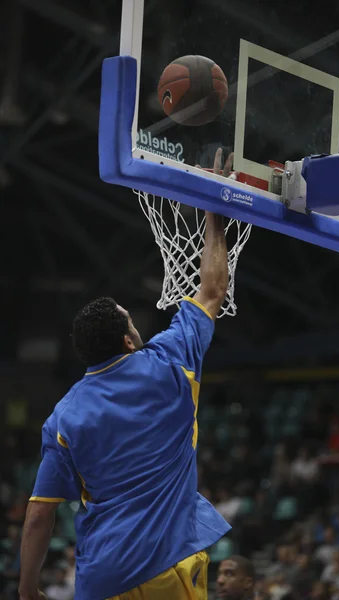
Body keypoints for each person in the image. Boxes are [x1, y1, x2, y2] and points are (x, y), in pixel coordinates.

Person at [18, 149, 234, 600]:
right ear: (128, 341)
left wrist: (27, 590)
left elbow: (40, 515)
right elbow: (213, 288)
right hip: (168, 566)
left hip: (102, 581)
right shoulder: (169, 360)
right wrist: (216, 209)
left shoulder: (63, 418)